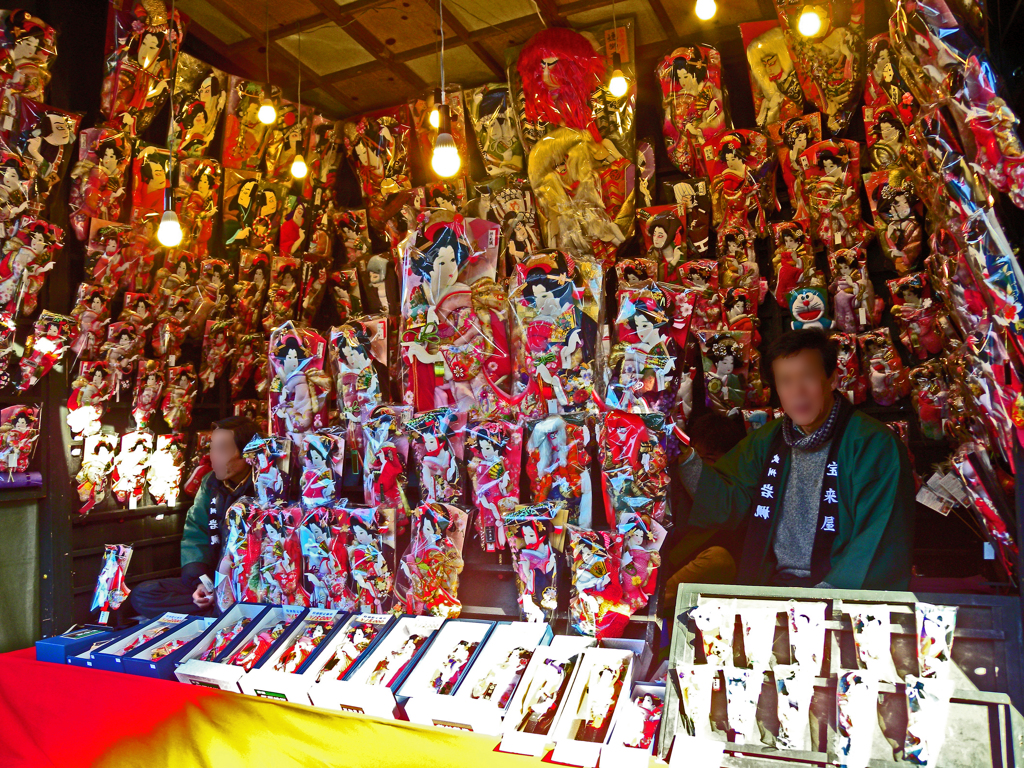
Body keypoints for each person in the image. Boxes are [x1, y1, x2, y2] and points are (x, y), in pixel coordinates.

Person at [674, 329, 915, 593]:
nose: (797, 391)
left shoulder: (872, 445)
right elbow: (725, 501)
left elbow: (878, 538)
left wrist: (825, 601)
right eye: (785, 381)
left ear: (832, 379)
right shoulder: (768, 440)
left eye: (808, 377)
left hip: (838, 594)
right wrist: (683, 455)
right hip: (772, 588)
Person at [130, 416, 263, 617]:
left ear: (248, 453)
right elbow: (196, 533)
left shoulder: (268, 483)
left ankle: (224, 610)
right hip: (216, 578)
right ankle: (217, 607)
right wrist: (201, 581)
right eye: (212, 448)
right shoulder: (211, 483)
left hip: (255, 580)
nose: (213, 457)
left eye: (222, 449)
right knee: (144, 594)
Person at [662, 411, 749, 613]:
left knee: (718, 560)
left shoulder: (736, 492)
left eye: (708, 459)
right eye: (697, 456)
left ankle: (654, 602)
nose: (700, 466)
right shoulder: (676, 480)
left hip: (711, 596)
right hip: (664, 570)